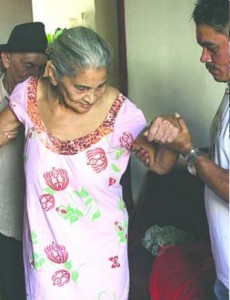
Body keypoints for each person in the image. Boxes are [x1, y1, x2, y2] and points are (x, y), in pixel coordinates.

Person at [0, 26, 178, 300]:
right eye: (81, 87)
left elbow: (160, 164)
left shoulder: (120, 112)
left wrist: (176, 136)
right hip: (46, 256)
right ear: (53, 74)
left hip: (101, 255)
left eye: (100, 86)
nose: (91, 97)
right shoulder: (29, 95)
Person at [143, 0, 229, 299]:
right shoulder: (228, 95)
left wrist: (189, 149)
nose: (203, 57)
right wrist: (172, 151)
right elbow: (219, 167)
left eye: (211, 47)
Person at [0, 22, 48, 300]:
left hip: (40, 226)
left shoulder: (48, 100)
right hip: (4, 223)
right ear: (6, 60)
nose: (35, 76)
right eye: (29, 66)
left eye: (41, 69)